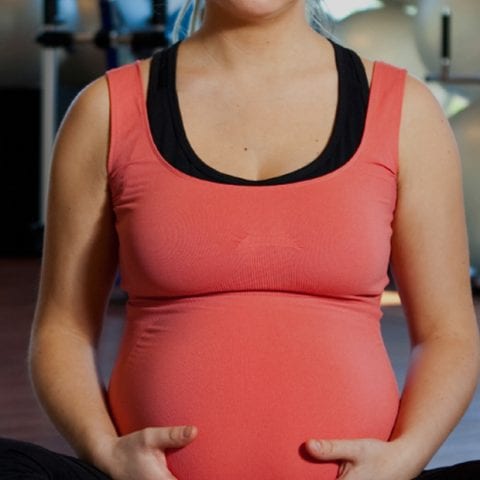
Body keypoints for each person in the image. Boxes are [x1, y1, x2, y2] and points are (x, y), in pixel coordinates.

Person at [1, 0, 480, 478]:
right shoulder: (104, 110)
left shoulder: (406, 111)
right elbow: (63, 332)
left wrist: (404, 458)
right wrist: (106, 452)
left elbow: (448, 335)